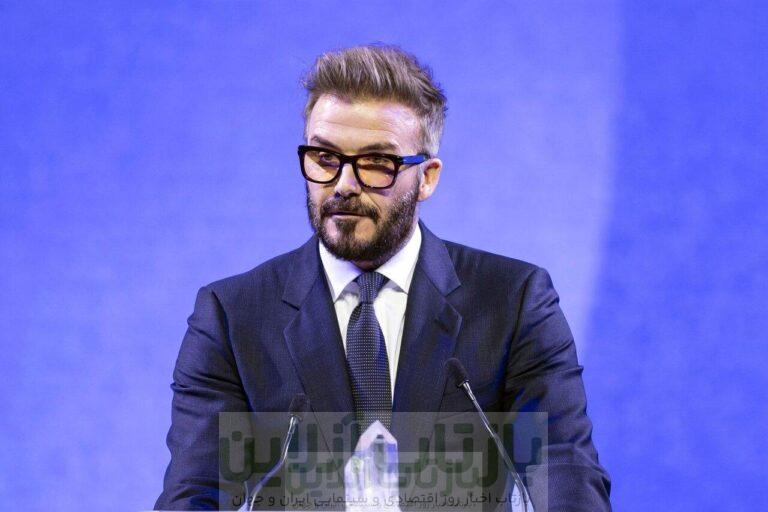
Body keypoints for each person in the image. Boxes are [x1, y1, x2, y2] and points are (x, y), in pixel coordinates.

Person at [155, 44, 611, 511]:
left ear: (427, 177)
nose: (343, 185)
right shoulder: (233, 316)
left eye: (376, 163)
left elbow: (563, 465)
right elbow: (193, 493)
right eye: (324, 157)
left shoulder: (512, 301)